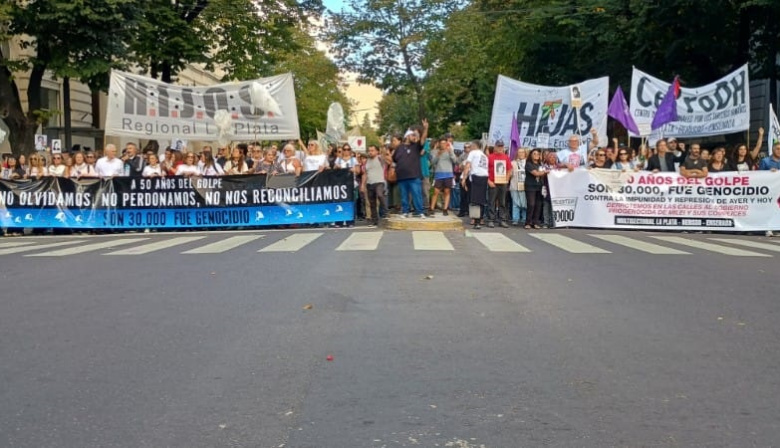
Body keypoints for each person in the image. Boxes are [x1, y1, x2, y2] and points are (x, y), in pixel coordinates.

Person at [392, 119, 429, 218]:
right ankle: (405, 212)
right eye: (413, 135)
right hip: (402, 177)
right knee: (404, 196)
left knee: (417, 194)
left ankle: (420, 211)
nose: (415, 137)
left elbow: (423, 139)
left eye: (416, 136)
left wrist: (425, 129)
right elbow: (394, 159)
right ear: (407, 136)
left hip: (414, 176)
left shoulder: (416, 146)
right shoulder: (399, 148)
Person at [460, 139, 488, 229]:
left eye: (471, 145)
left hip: (476, 176)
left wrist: (464, 178)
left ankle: (476, 221)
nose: (470, 147)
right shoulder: (484, 155)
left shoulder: (473, 153)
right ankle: (479, 219)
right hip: (484, 177)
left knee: (474, 199)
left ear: (475, 146)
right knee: (481, 199)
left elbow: (468, 165)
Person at [429, 137, 458, 216]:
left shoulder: (449, 151)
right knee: (436, 192)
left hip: (448, 174)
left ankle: (445, 209)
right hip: (439, 174)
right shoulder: (435, 152)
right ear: (439, 144)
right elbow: (433, 163)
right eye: (441, 143)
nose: (443, 145)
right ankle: (431, 208)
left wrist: (450, 152)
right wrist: (438, 155)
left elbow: (455, 161)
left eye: (444, 143)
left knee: (447, 191)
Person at [486, 140, 512, 228]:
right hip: (493, 182)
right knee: (491, 201)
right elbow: (485, 170)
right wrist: (488, 181)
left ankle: (502, 220)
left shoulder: (506, 157)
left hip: (502, 183)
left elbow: (509, 169)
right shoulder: (490, 157)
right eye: (498, 146)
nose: (500, 148)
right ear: (495, 147)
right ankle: (491, 220)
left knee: (503, 202)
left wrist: (507, 179)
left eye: (501, 146)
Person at [363, 144, 388, 228]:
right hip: (369, 183)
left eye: (372, 150)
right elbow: (365, 173)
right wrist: (363, 185)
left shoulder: (380, 158)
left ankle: (386, 211)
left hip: (379, 181)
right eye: (369, 150)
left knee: (380, 194)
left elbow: (385, 153)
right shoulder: (367, 161)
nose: (370, 152)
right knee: (372, 202)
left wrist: (382, 146)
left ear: (377, 151)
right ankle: (375, 220)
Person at [525, 148, 546, 229]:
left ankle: (535, 222)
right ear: (531, 155)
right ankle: (528, 222)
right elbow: (536, 173)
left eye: (538, 154)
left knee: (538, 204)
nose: (536, 155)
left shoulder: (541, 164)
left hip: (539, 186)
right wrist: (545, 172)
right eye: (534, 154)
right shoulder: (528, 164)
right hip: (530, 186)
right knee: (531, 204)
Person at [509, 148, 528, 226]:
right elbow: (509, 174)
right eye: (519, 152)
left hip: (526, 186)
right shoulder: (513, 163)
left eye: (522, 152)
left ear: (525, 153)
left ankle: (524, 219)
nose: (521, 154)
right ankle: (515, 219)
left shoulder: (528, 163)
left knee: (525, 203)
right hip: (515, 185)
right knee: (515, 203)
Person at [457, 142, 472, 217]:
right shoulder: (461, 156)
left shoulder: (473, 155)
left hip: (471, 177)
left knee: (470, 195)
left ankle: (469, 211)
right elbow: (459, 166)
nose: (467, 149)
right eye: (465, 147)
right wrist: (464, 166)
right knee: (463, 195)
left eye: (468, 147)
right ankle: (462, 210)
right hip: (463, 176)